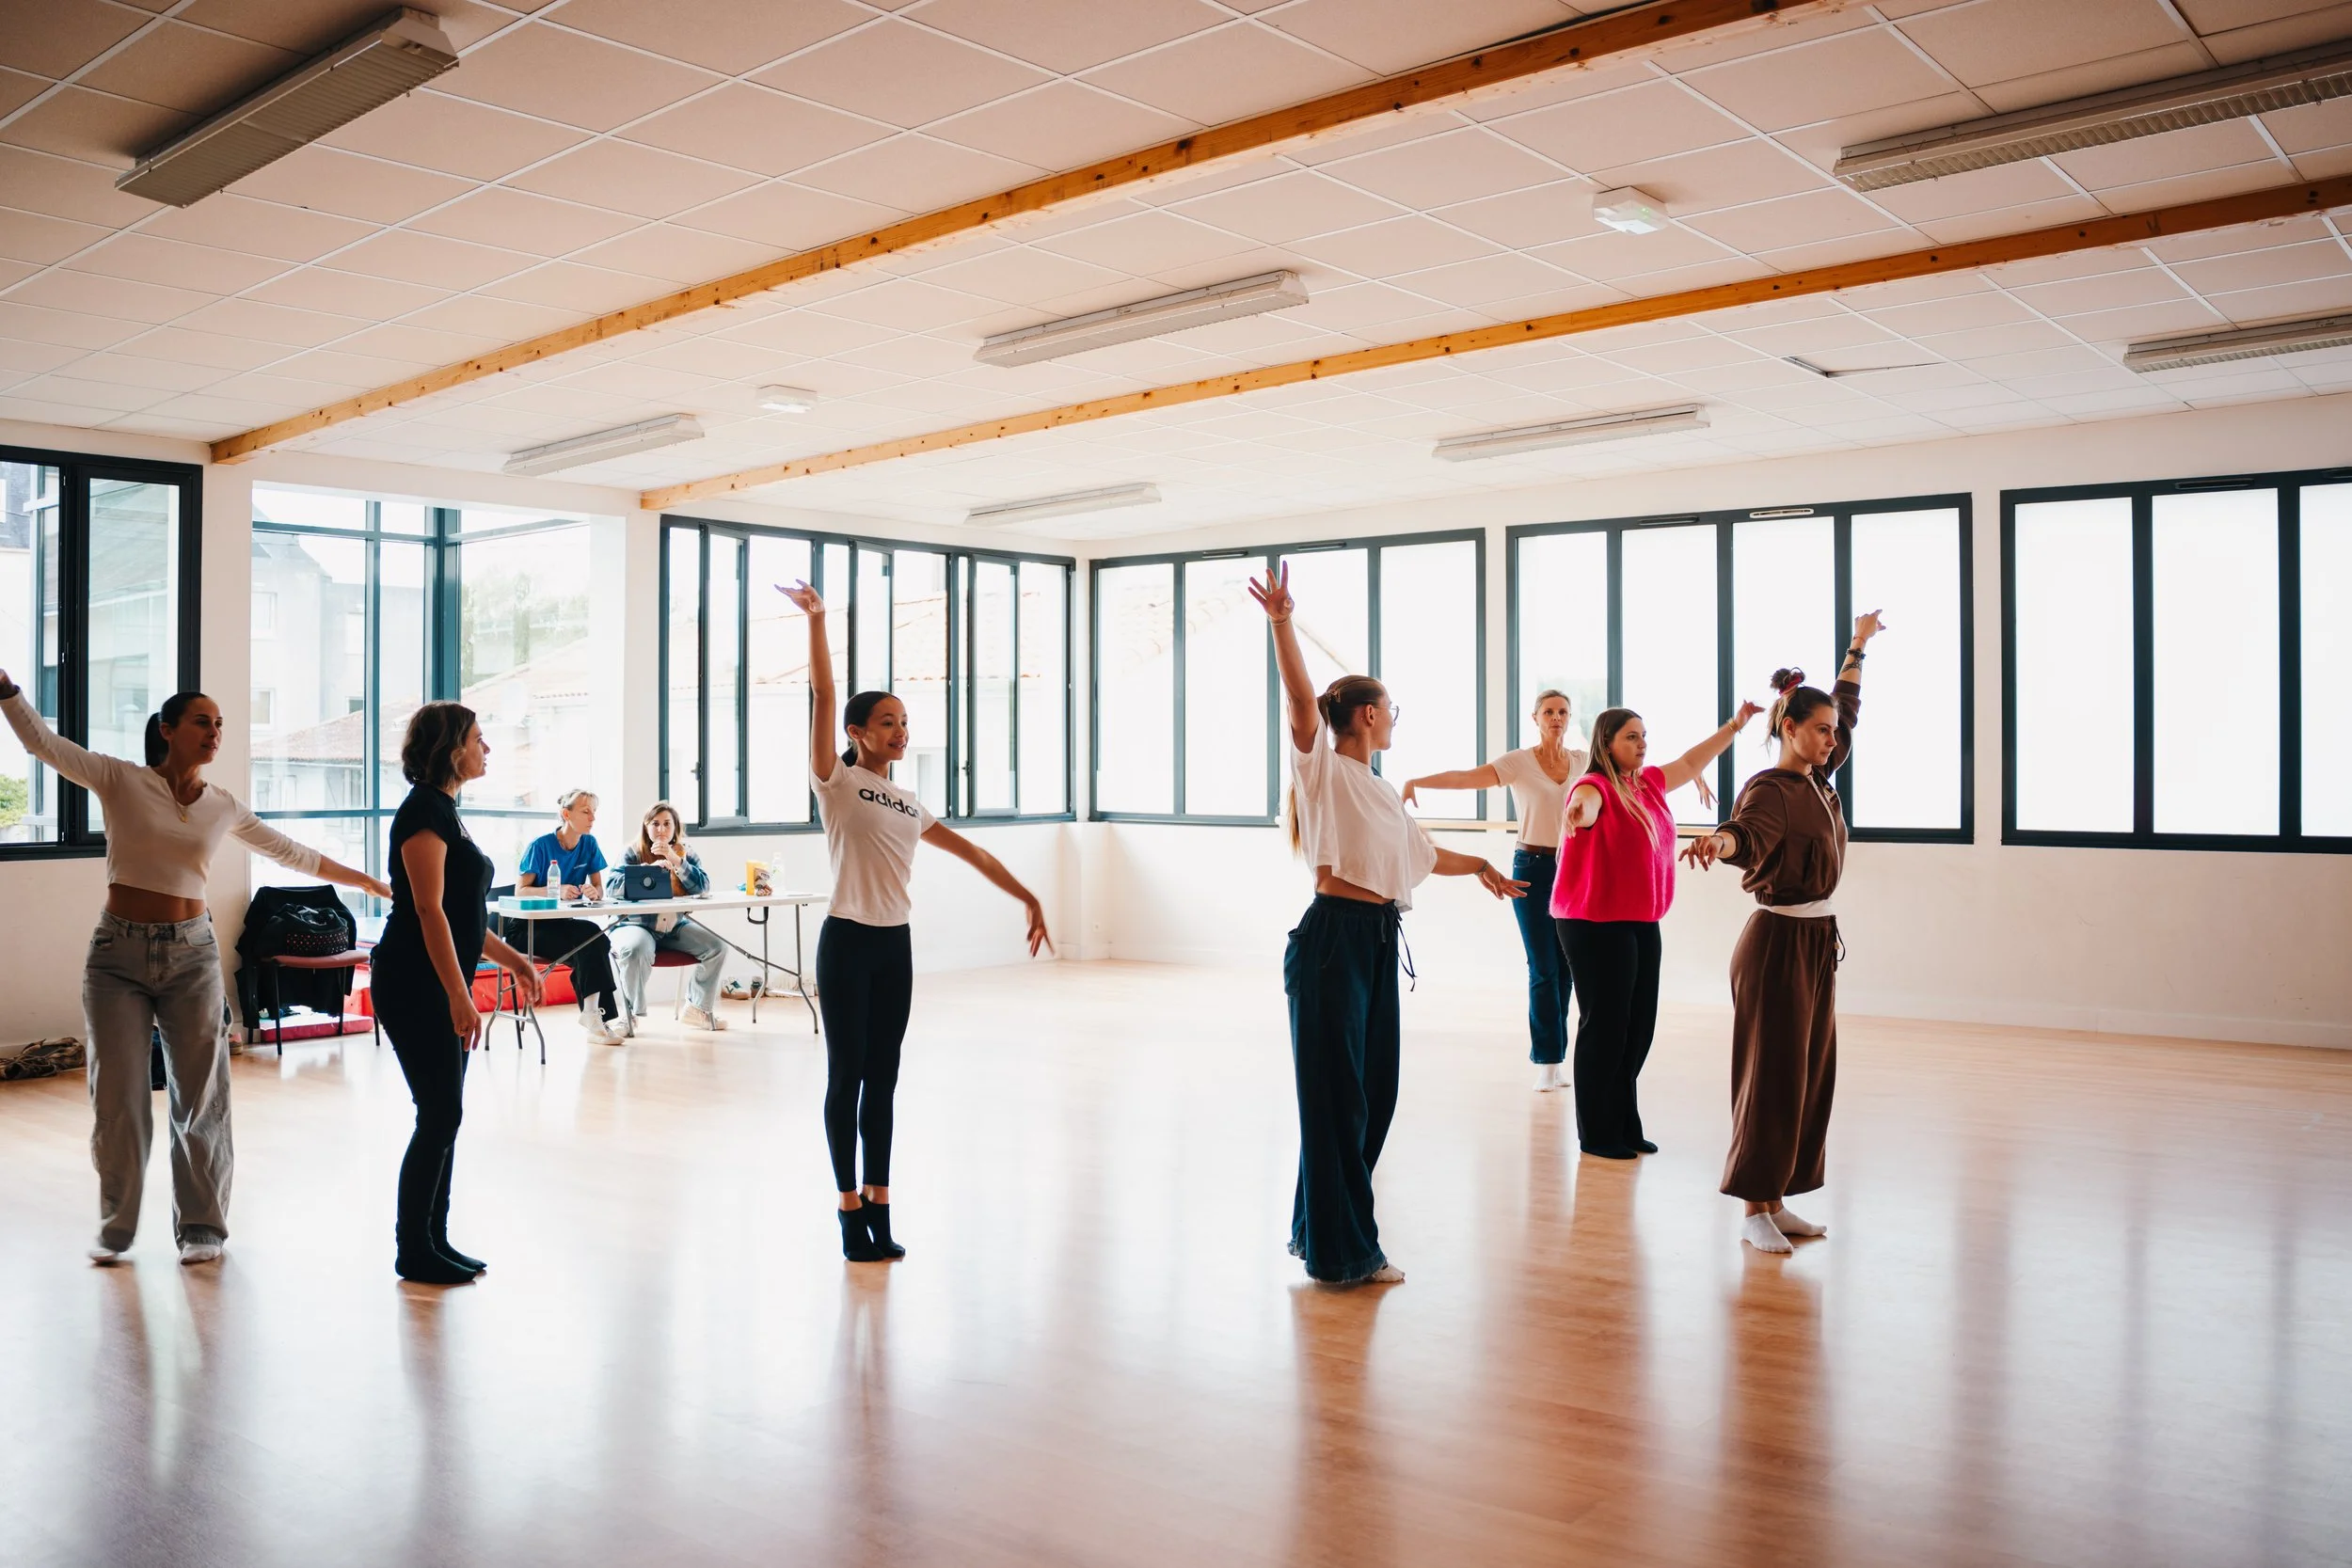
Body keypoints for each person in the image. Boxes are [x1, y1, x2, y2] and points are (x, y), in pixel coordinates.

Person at [0, 673, 389, 1265]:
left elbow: (291, 850)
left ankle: (203, 1226)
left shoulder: (221, 806)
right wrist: (7, 690)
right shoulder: (120, 779)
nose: (215, 733)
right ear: (168, 731)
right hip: (117, 958)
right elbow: (44, 746)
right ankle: (116, 1225)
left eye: (220, 724)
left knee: (202, 1095)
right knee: (119, 1097)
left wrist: (363, 881)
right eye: (202, 722)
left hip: (192, 956)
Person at [1250, 562, 1527, 1288]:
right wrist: (1282, 623)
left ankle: (1319, 1229)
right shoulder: (1325, 770)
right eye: (1390, 708)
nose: (1395, 718)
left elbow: (1426, 855)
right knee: (1337, 1102)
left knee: (1372, 1097)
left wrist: (1488, 870)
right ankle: (1344, 1253)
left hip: (1373, 946)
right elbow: (1302, 701)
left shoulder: (1376, 790)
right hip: (1331, 943)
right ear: (1368, 715)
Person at [778, 580, 1053, 1263]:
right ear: (856, 732)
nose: (901, 730)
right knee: (847, 1075)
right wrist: (818, 619)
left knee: (886, 1076)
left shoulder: (906, 800)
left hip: (893, 946)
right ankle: (847, 1211)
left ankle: (880, 1202)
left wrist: (1030, 897)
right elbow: (820, 694)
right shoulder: (835, 782)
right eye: (888, 721)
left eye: (904, 721)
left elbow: (975, 851)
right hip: (846, 940)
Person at [1682, 613, 1882, 1255]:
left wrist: (1857, 646)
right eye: (1819, 731)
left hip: (1815, 943)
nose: (1831, 738)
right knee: (1771, 1074)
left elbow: (1845, 704)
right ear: (1788, 728)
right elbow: (1747, 832)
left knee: (1807, 1073)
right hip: (1776, 947)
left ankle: (1778, 1197)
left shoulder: (1819, 779)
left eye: (1832, 733)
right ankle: (1751, 1208)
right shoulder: (1772, 787)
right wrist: (1719, 840)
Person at [371, 701, 547, 1285]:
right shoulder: (424, 810)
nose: (487, 748)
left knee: (444, 1113)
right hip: (413, 981)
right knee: (440, 1112)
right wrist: (458, 994)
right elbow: (426, 909)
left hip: (438, 980)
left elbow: (463, 915)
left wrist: (516, 960)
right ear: (452, 749)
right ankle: (411, 1249)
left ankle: (433, 1238)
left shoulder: (446, 810)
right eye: (479, 738)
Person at [1551, 698, 1760, 1161]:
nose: (1642, 744)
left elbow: (1691, 761)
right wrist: (1577, 815)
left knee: (1638, 1027)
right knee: (1605, 1026)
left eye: (1644, 736)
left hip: (1640, 920)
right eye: (1632, 736)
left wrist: (1736, 725)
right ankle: (1597, 1133)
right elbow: (1585, 804)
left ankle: (1624, 1124)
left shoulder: (1647, 784)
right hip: (1592, 921)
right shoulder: (1595, 785)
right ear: (1607, 743)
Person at [1401, 689, 1588, 1090]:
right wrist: (1419, 781)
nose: (1556, 717)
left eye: (1563, 712)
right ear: (1535, 718)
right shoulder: (1519, 762)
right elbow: (1468, 779)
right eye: (1549, 712)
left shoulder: (1582, 762)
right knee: (1542, 967)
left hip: (1573, 870)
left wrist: (1689, 773)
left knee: (1567, 966)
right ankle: (1547, 1061)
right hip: (1532, 868)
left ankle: (1557, 1055)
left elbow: (1631, 777)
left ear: (1569, 719)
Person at [516, 788, 626, 1044]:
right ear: (566, 814)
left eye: (594, 812)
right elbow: (520, 891)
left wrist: (592, 892)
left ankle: (594, 1017)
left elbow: (599, 889)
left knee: (595, 939)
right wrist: (554, 891)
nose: (592, 818)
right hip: (527, 929)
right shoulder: (540, 846)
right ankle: (595, 1020)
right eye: (586, 812)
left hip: (560, 924)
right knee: (589, 941)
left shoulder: (589, 844)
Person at [609, 800, 730, 1031]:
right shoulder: (632, 852)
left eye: (667, 824)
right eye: (655, 824)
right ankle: (629, 1014)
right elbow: (612, 887)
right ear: (646, 827)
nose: (661, 830)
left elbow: (703, 886)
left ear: (675, 828)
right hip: (635, 925)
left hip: (673, 925)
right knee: (634, 949)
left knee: (717, 947)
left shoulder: (685, 852)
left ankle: (697, 1008)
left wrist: (676, 861)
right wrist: (647, 872)